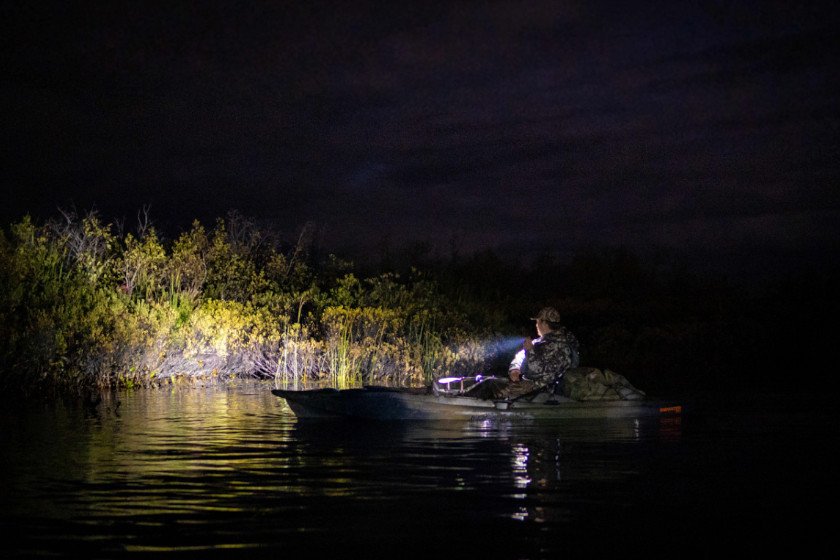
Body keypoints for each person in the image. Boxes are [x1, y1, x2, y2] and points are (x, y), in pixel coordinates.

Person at [503, 307, 580, 399]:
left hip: (545, 392)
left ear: (544, 323)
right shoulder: (540, 341)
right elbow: (520, 356)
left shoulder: (561, 346)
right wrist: (515, 369)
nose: (536, 325)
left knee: (498, 392)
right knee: (492, 384)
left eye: (537, 322)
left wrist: (530, 351)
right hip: (531, 387)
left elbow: (538, 371)